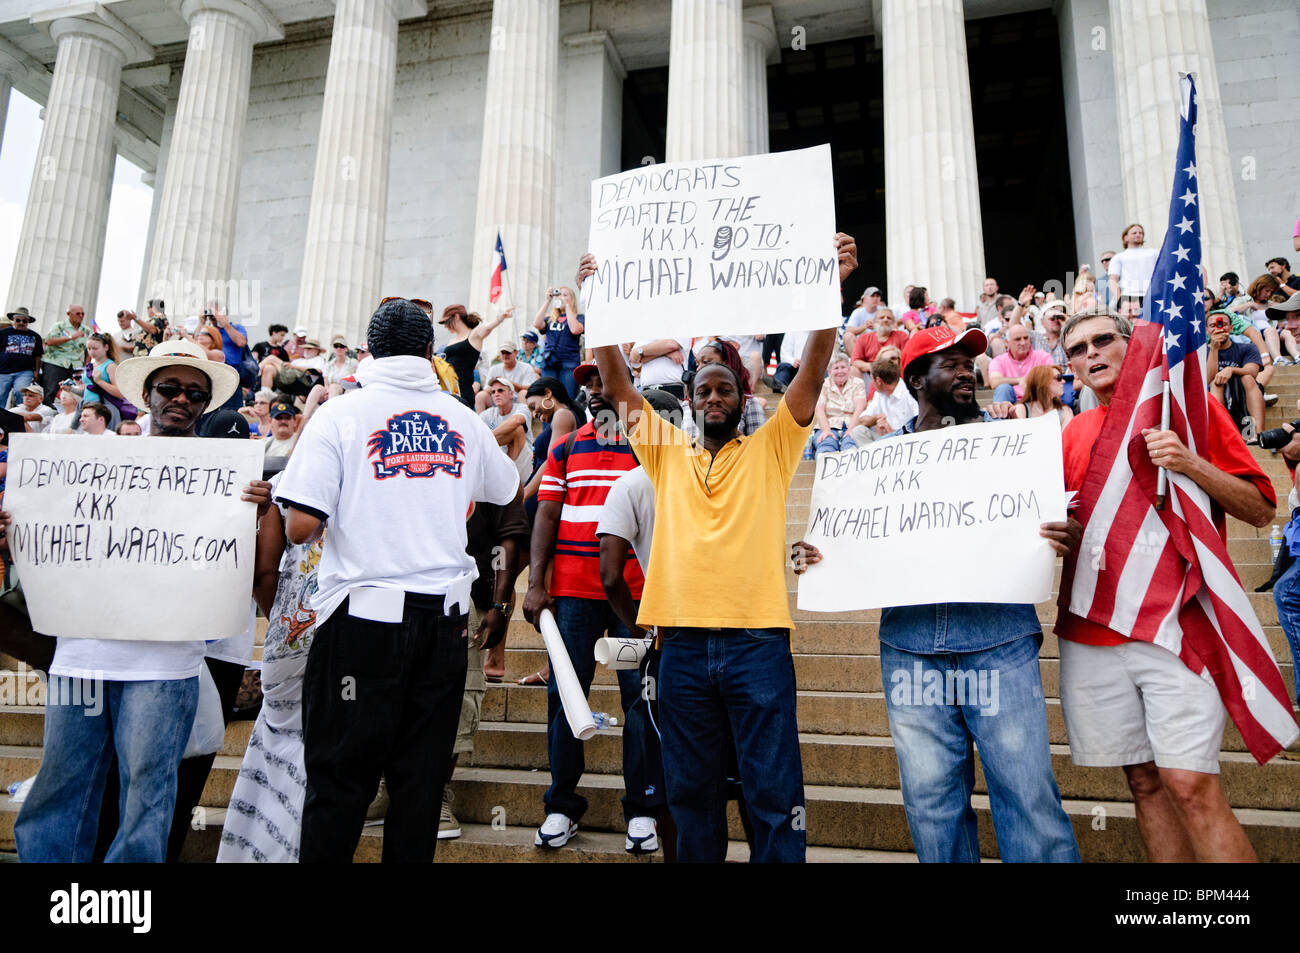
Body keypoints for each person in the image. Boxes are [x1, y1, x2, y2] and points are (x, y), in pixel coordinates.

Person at [580, 232, 859, 863]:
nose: (712, 397)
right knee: (690, 798)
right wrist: (600, 301)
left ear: (744, 399)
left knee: (771, 796)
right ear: (687, 399)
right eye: (702, 389)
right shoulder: (663, 454)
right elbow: (621, 390)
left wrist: (827, 291)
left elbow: (812, 374)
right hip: (678, 648)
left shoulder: (774, 448)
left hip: (756, 645)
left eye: (723, 389)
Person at [6, 338, 271, 862]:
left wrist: (256, 518)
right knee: (62, 788)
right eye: (169, 388)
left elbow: (244, 570)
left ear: (205, 404)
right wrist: (14, 525)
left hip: (166, 664)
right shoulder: (91, 461)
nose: (182, 399)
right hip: (81, 655)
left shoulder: (231, 483)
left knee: (148, 797)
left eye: (195, 393)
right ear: (146, 395)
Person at [274, 298, 518, 862]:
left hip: (362, 626)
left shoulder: (340, 413)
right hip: (444, 628)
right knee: (419, 789)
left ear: (370, 351)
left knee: (339, 785)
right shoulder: (460, 415)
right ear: (430, 353)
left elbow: (301, 526)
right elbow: (506, 490)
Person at [1058, 308, 1275, 862]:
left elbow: (1259, 509)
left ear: (1133, 347)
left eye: (1103, 340)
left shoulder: (1191, 410)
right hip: (1092, 630)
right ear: (1073, 370)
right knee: (1144, 782)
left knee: (1191, 785)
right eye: (1078, 350)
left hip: (1179, 627)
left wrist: (1188, 462)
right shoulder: (1071, 433)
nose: (1092, 354)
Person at [872, 325, 1081, 863]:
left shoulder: (1012, 448)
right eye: (951, 363)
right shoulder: (873, 466)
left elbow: (1057, 521)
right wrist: (820, 554)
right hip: (910, 644)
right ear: (916, 378)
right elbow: (854, 548)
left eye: (971, 361)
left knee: (1027, 793)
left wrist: (1063, 531)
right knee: (930, 802)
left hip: (998, 639)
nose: (967, 370)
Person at [522, 361, 658, 852]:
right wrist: (536, 584)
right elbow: (547, 513)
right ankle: (561, 805)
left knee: (640, 702)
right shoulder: (566, 445)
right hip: (574, 596)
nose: (594, 391)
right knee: (565, 700)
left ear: (627, 387)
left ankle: (642, 810)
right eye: (588, 384)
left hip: (633, 599)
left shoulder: (653, 444)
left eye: (603, 382)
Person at [681, 338, 767, 438]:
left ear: (727, 363)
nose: (698, 369)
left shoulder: (750, 403)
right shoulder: (687, 405)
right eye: (697, 364)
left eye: (705, 362)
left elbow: (757, 444)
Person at [1206, 308, 1265, 437]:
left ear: (1231, 328)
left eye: (1223, 324)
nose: (1219, 328)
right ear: (1207, 330)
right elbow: (1206, 379)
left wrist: (1231, 370)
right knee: (1216, 383)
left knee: (1248, 378)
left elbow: (1253, 371)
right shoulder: (1202, 352)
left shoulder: (1247, 348)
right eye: (1212, 325)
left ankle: (1258, 434)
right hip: (1215, 394)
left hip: (1243, 393)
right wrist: (1214, 350)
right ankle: (1222, 434)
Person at [441, 304, 511, 407]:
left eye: (446, 322)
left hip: (463, 390)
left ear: (456, 317)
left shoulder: (473, 335)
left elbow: (486, 328)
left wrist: (500, 318)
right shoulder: (453, 340)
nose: (445, 326)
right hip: (448, 389)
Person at [851, 357, 918, 445]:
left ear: (878, 380)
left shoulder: (909, 393)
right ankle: (875, 458)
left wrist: (892, 432)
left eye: (872, 379)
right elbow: (862, 420)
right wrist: (876, 419)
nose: (871, 383)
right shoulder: (879, 394)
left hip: (908, 441)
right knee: (858, 431)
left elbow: (922, 428)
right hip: (886, 441)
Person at [479, 375, 533, 484]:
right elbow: (477, 433)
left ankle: (508, 477)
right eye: (493, 392)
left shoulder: (521, 407)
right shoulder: (487, 414)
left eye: (500, 390)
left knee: (517, 429)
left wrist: (488, 438)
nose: (496, 394)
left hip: (522, 461)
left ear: (511, 394)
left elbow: (516, 421)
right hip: (498, 461)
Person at [812, 355, 866, 456]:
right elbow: (819, 409)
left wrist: (851, 430)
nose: (840, 371)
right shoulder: (823, 385)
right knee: (826, 444)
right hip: (828, 425)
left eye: (843, 367)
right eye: (836, 368)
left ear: (849, 369)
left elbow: (860, 408)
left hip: (852, 424)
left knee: (851, 446)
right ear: (829, 372)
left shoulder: (858, 383)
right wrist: (826, 430)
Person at [989, 324, 1054, 403]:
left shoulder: (1043, 357)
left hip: (1037, 400)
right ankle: (1000, 415)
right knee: (1003, 388)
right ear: (1007, 342)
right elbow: (994, 382)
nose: (1023, 343)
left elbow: (1053, 380)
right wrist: (1019, 380)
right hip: (1010, 403)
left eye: (1026, 338)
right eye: (1017, 339)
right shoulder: (999, 361)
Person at [40, 304, 88, 403]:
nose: (81, 316)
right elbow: (49, 341)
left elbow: (89, 350)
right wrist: (71, 337)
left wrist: (87, 366)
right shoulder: (59, 326)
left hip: (75, 366)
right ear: (69, 314)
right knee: (50, 392)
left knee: (72, 393)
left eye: (82, 314)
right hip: (56, 363)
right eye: (77, 313)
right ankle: (47, 415)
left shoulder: (87, 330)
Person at [0, 307, 42, 409]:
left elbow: (38, 355)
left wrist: (36, 371)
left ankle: (20, 418)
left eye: (24, 321)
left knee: (21, 393)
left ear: (28, 322)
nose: (21, 323)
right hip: (3, 371)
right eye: (18, 320)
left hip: (24, 372)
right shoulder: (3, 333)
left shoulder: (35, 336)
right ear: (13, 320)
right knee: (0, 395)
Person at [850, 308, 907, 378]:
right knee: (853, 370)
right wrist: (872, 366)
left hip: (896, 373)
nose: (885, 320)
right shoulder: (863, 338)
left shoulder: (901, 336)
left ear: (893, 323)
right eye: (881, 317)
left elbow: (907, 358)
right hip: (871, 374)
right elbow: (855, 361)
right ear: (874, 322)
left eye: (889, 318)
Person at [479, 342, 537, 411]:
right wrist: (497, 386)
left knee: (523, 393)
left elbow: (530, 389)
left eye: (508, 353)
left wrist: (508, 382)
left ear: (516, 353)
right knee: (481, 395)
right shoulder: (493, 369)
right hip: (498, 401)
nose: (505, 355)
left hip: (517, 401)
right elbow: (486, 389)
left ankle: (525, 419)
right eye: (503, 353)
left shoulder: (526, 368)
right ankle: (480, 420)